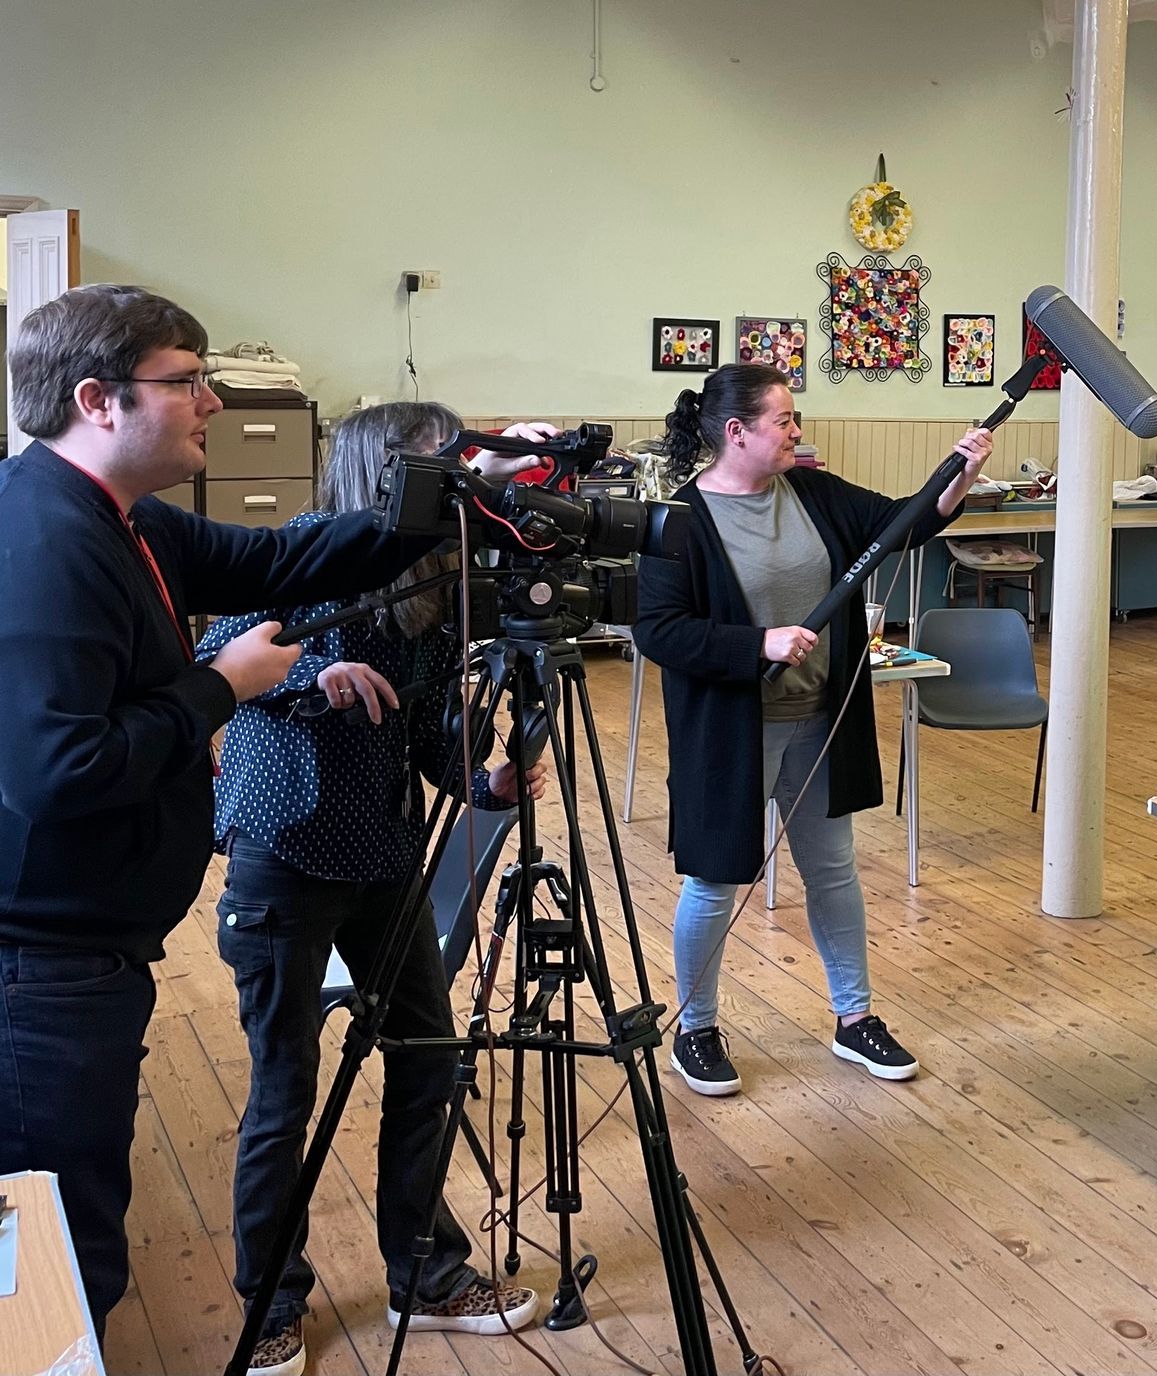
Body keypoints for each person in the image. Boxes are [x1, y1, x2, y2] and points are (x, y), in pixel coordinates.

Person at [0, 285, 440, 1340]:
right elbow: (60, 768)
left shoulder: (125, 518)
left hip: (93, 945)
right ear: (99, 398)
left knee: (77, 1226)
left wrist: (439, 499)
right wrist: (222, 686)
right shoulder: (45, 542)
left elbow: (285, 558)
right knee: (60, 1251)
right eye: (186, 380)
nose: (209, 399)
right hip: (42, 964)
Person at [197, 403, 556, 1376]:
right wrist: (320, 671)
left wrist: (484, 780)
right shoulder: (296, 553)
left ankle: (428, 1274)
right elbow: (215, 652)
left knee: (429, 1059)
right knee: (286, 1087)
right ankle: (271, 1303)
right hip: (286, 847)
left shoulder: (437, 585)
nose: (461, 484)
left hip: (388, 849)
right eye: (443, 466)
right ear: (387, 474)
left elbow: (436, 742)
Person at [630, 364, 992, 1097]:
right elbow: (658, 631)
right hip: (733, 732)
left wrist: (961, 472)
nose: (798, 431)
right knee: (716, 880)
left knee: (833, 870)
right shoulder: (679, 522)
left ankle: (853, 1018)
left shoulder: (816, 494)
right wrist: (756, 645)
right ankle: (695, 1028)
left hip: (821, 719)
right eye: (784, 421)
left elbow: (908, 523)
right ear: (737, 432)